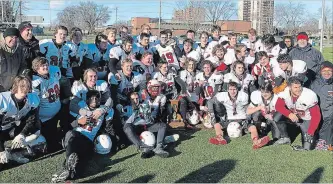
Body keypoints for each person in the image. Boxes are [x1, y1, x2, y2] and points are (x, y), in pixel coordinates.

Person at [51, 90, 114, 182]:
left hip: (88, 140)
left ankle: (70, 173)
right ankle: (67, 167)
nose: (94, 100)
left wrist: (113, 142)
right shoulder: (80, 107)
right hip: (75, 136)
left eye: (97, 98)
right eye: (91, 98)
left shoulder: (104, 110)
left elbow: (109, 126)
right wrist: (79, 122)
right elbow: (66, 126)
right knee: (72, 137)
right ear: (87, 99)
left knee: (82, 162)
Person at [207, 82, 270, 149]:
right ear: (227, 90)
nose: (232, 91)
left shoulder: (243, 96)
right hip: (229, 120)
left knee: (253, 128)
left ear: (237, 89)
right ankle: (219, 137)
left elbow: (247, 109)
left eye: (234, 89)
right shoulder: (222, 96)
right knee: (217, 125)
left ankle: (256, 141)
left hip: (242, 119)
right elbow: (210, 102)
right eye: (230, 89)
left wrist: (247, 119)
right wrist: (212, 114)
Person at [0, 76, 40, 165]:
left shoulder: (32, 99)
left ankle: (14, 152)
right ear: (15, 86)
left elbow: (32, 120)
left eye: (28, 86)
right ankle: (6, 152)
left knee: (38, 136)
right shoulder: (3, 99)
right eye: (22, 86)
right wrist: (1, 151)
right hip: (1, 130)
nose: (25, 89)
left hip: (12, 128)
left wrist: (22, 134)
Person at [274, 77, 321, 151]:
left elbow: (316, 116)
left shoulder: (309, 95)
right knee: (277, 117)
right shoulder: (284, 92)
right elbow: (278, 106)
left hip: (306, 118)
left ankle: (304, 133)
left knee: (308, 147)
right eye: (295, 87)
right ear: (289, 87)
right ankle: (285, 137)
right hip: (293, 116)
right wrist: (289, 114)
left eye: (299, 86)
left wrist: (311, 131)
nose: (298, 89)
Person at [119, 91, 169, 158]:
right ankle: (145, 147)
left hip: (146, 126)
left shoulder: (144, 105)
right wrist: (135, 113)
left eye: (137, 98)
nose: (135, 100)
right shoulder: (127, 108)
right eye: (133, 99)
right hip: (135, 129)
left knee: (163, 125)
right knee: (127, 127)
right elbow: (126, 123)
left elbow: (151, 120)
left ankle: (159, 147)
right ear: (130, 100)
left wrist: (148, 116)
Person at [31, 57, 62, 152]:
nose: (45, 67)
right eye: (42, 65)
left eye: (46, 64)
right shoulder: (36, 82)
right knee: (51, 144)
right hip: (45, 119)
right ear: (36, 68)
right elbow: (34, 104)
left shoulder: (53, 75)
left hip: (57, 112)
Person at [310, 61, 333, 150]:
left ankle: (327, 143)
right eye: (324, 71)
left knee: (329, 119)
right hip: (317, 111)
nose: (327, 73)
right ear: (320, 72)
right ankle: (318, 140)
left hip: (330, 111)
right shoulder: (315, 84)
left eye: (329, 71)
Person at [0, 27, 28, 92]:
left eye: (16, 37)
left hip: (11, 88)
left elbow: (23, 66)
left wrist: (19, 80)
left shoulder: (19, 51)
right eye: (11, 37)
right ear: (5, 37)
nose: (14, 39)